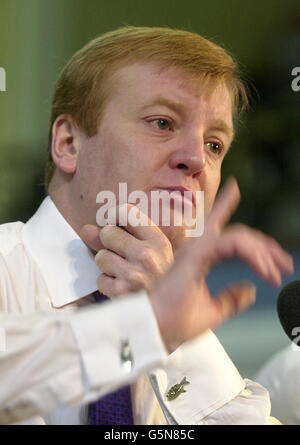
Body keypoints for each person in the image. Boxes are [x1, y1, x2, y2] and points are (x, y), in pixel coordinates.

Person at [0, 26, 294, 425]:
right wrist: (149, 327)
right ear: (69, 144)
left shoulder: (184, 330)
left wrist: (180, 342)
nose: (196, 159)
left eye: (214, 144)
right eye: (162, 123)